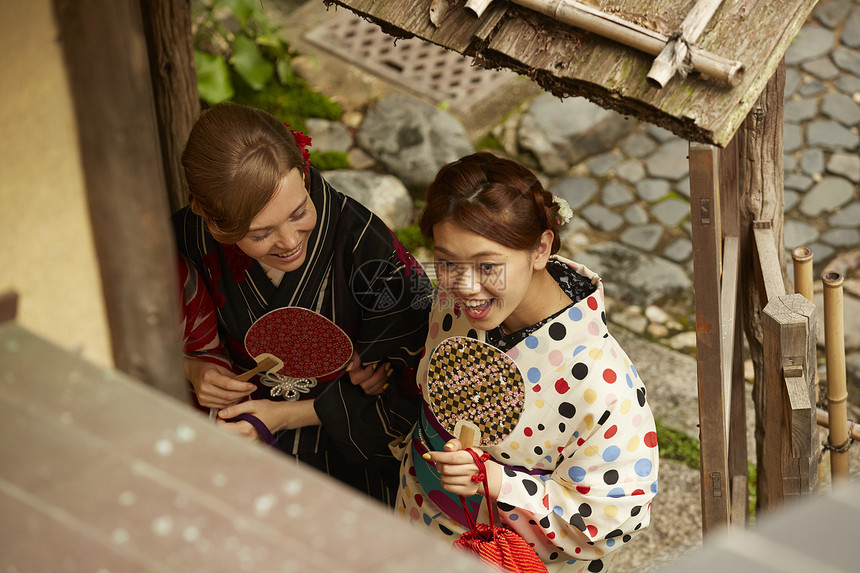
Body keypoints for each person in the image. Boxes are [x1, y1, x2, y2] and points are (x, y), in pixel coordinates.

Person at [394, 152, 659, 572]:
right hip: (418, 513)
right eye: (446, 261)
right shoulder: (455, 300)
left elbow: (611, 519)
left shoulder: (603, 383)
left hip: (514, 557)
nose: (464, 287)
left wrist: (497, 482)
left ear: (541, 247)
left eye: (487, 265)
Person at [174, 102, 431, 505]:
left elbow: (417, 377)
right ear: (210, 220)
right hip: (232, 434)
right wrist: (193, 367)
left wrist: (288, 414)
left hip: (348, 440)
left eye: (299, 212)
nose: (291, 241)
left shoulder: (363, 243)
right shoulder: (188, 239)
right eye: (260, 233)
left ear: (305, 172)